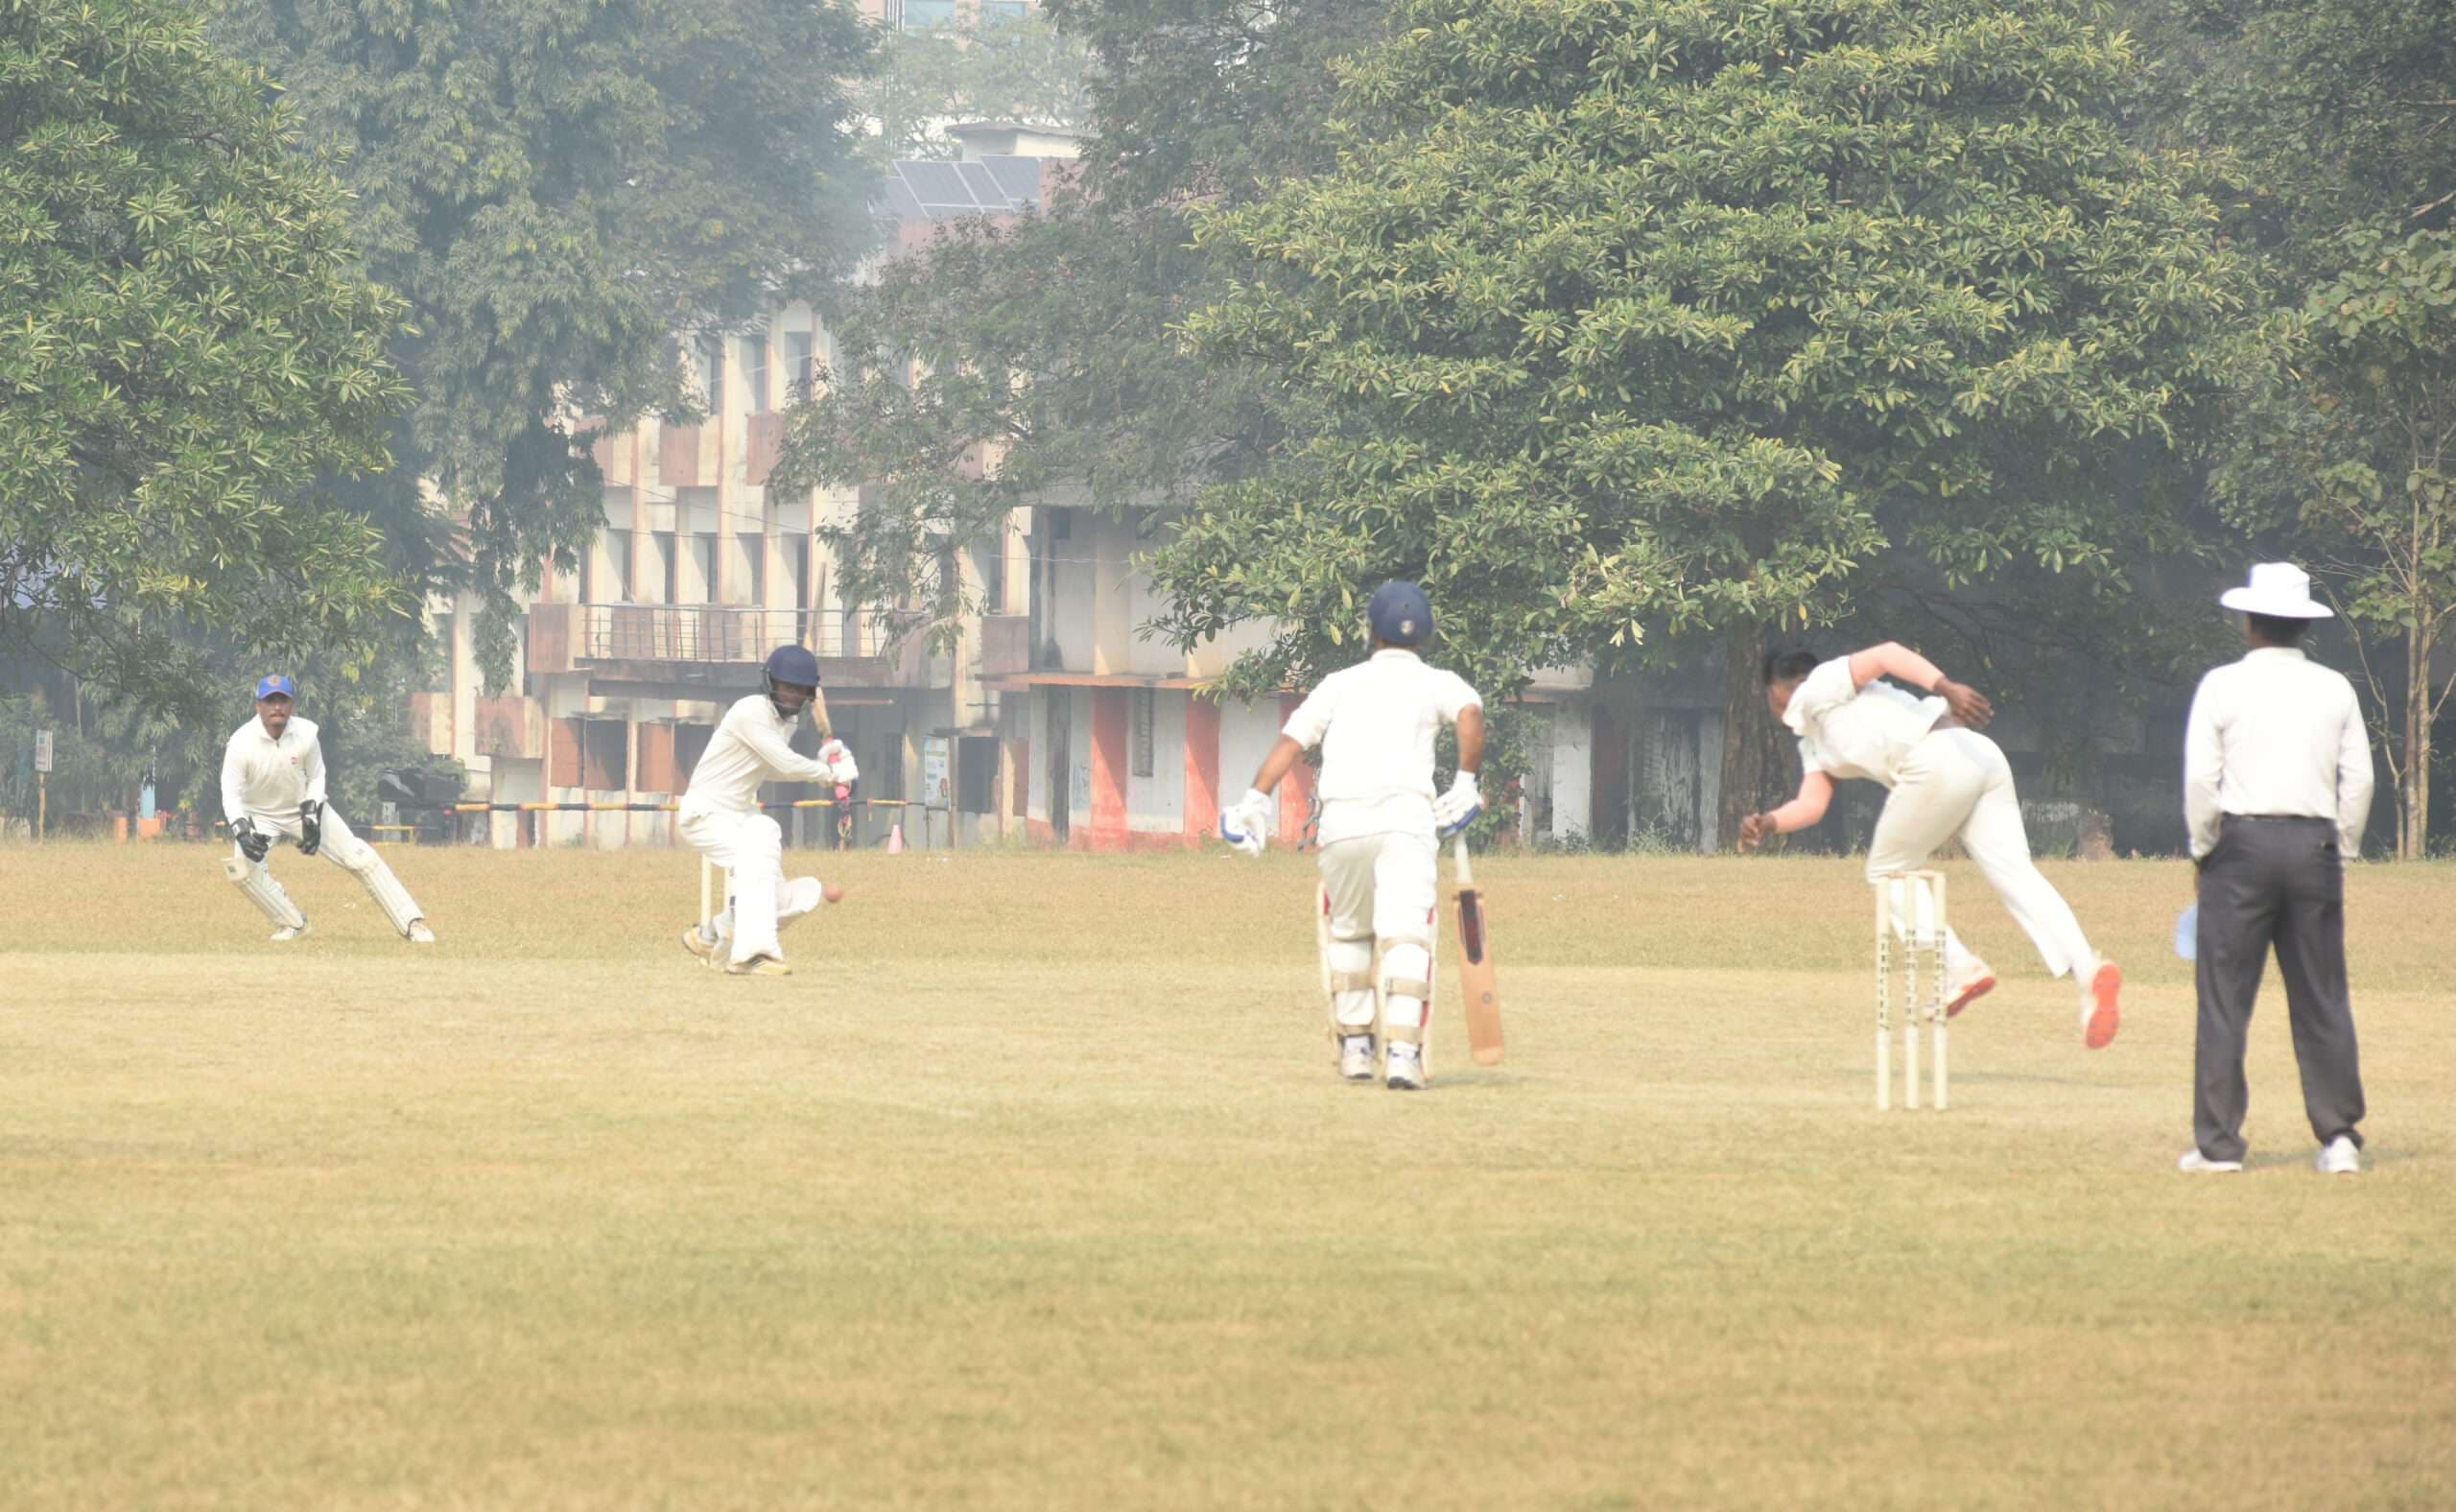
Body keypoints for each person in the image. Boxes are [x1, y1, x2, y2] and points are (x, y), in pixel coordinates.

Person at [1738, 642, 2121, 1049]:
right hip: (1977, 755)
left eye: (1770, 692)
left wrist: (1946, 686)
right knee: (2017, 875)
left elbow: (1886, 654)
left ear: (1790, 684)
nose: (1771, 704)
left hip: (1937, 756)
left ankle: (1960, 967)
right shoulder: (1813, 741)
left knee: (1886, 871)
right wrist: (1770, 822)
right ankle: (2088, 970)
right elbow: (1811, 804)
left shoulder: (1822, 682)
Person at [1219, 581, 1484, 1091]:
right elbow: (1470, 714)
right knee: (1406, 934)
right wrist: (1467, 782)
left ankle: (1357, 1049)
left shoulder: (1340, 683)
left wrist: (1255, 800)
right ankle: (1404, 1054)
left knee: (1350, 933)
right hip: (1407, 822)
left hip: (1343, 826)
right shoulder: (1438, 682)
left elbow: (1293, 742)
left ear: (1371, 630)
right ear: (1425, 635)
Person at [2178, 563, 2373, 1175]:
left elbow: (2200, 781)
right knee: (2321, 996)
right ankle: (2338, 1137)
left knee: (2224, 999)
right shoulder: (2335, 687)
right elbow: (2360, 779)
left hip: (2241, 846)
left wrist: (2204, 846)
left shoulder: (2221, 685)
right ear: (2301, 627)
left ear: (2250, 621)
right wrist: (2339, 848)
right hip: (2315, 845)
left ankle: (2220, 1145)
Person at [678, 645, 857, 977]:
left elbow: (768, 766)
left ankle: (710, 935)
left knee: (784, 898)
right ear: (770, 682)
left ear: (808, 693)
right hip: (707, 814)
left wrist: (819, 767)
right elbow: (785, 764)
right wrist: (829, 774)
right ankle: (752, 955)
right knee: (759, 857)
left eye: (798, 689)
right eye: (785, 686)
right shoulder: (751, 712)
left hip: (741, 814)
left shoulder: (782, 724)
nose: (790, 695)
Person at [220, 674, 436, 944]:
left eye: (283, 700)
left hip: (303, 808)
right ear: (258, 706)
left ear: (292, 704)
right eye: (270, 700)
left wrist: (310, 816)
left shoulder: (307, 734)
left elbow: (317, 776)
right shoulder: (241, 743)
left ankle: (412, 923)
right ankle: (293, 924)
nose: (277, 707)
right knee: (242, 871)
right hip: (260, 815)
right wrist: (241, 829)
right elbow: (230, 792)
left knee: (361, 858)